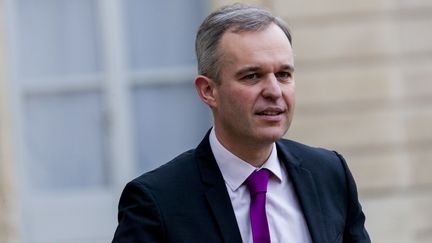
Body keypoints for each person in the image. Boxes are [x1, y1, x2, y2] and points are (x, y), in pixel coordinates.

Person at [112, 4, 371, 243]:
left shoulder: (330, 174)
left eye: (283, 74)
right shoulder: (157, 202)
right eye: (252, 76)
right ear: (208, 91)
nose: (274, 91)